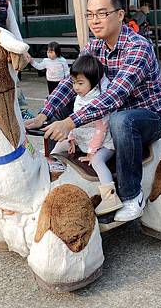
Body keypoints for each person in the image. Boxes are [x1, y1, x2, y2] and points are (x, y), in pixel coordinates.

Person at [25, 0, 161, 222]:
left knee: (121, 119)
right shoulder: (93, 47)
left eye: (102, 13)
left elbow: (115, 96)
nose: (95, 20)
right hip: (107, 117)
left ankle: (132, 197)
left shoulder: (138, 47)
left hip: (146, 116)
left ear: (120, 14)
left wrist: (70, 122)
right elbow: (70, 82)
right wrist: (45, 114)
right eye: (90, 14)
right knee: (57, 121)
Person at [49, 55, 122, 215]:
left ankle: (110, 197)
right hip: (84, 138)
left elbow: (100, 130)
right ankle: (53, 171)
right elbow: (75, 120)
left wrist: (91, 152)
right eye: (74, 82)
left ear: (94, 81)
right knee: (60, 145)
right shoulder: (81, 96)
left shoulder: (99, 99)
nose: (75, 87)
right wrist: (72, 138)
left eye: (80, 83)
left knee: (97, 162)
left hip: (103, 143)